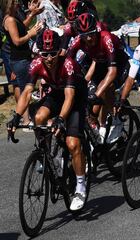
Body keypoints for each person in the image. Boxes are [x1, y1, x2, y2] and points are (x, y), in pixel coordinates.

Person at [7, 29, 88, 211]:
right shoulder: (36, 64)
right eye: (45, 54)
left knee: (73, 144)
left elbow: (69, 96)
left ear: (59, 51)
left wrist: (60, 119)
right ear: (39, 53)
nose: (49, 58)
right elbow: (27, 92)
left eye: (53, 54)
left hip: (75, 97)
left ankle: (80, 187)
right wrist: (16, 117)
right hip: (56, 93)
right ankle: (48, 155)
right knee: (39, 117)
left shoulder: (68, 64)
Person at [67, 13, 128, 140]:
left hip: (119, 64)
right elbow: (67, 63)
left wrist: (96, 94)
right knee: (91, 108)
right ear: (79, 35)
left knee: (104, 89)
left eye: (92, 33)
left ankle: (115, 118)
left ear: (97, 30)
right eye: (85, 35)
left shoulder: (106, 38)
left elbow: (112, 72)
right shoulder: (78, 41)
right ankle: (98, 132)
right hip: (101, 65)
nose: (89, 39)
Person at [1, 0, 43, 127]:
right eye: (14, 2)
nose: (18, 3)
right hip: (20, 60)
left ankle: (27, 118)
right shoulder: (9, 20)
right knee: (26, 91)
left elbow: (21, 28)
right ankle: (25, 120)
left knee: (24, 89)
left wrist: (32, 14)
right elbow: (17, 41)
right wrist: (31, 34)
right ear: (9, 5)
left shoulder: (14, 18)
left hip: (21, 59)